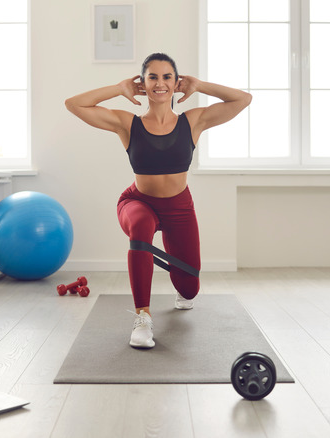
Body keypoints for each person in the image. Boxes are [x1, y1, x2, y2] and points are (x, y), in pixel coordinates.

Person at [65, 53, 251, 348]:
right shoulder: (128, 124)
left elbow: (242, 99)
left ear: (177, 83)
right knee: (140, 228)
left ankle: (183, 289)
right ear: (143, 83)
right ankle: (142, 318)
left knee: (190, 290)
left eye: (167, 77)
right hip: (138, 202)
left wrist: (199, 85)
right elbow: (74, 104)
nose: (160, 83)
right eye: (152, 77)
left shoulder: (194, 121)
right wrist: (119, 88)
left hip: (179, 208)